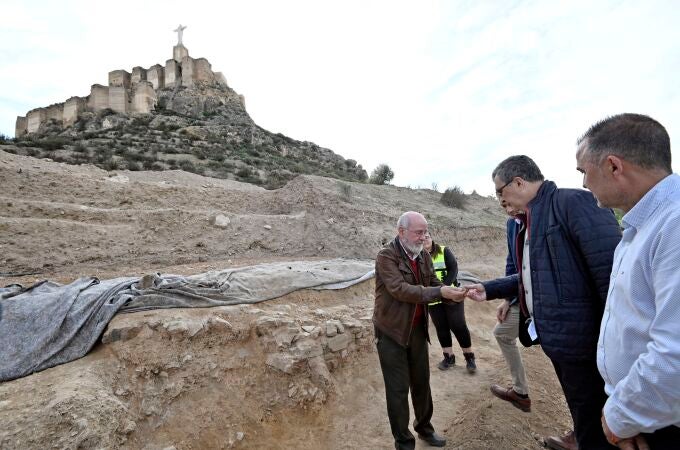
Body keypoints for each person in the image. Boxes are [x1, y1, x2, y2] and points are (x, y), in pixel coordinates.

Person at [465, 155, 621, 450]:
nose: (499, 199)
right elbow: (533, 278)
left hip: (587, 345)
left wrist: (614, 345)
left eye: (500, 191)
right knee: (584, 416)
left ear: (519, 182)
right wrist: (490, 289)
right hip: (562, 342)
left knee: (597, 428)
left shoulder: (573, 203)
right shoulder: (528, 221)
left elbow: (612, 278)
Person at [576, 113, 680, 450]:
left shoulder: (674, 226)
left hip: (660, 425)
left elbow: (674, 353)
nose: (583, 184)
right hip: (644, 416)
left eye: (584, 172)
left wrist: (620, 418)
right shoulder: (641, 227)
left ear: (613, 167)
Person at [373, 211, 468, 450]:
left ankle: (425, 429)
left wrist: (453, 292)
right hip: (391, 332)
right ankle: (404, 443)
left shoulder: (423, 256)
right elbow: (400, 289)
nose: (423, 237)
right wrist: (440, 293)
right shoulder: (386, 256)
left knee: (422, 383)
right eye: (418, 232)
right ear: (401, 232)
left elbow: (432, 283)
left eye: (425, 232)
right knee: (397, 389)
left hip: (416, 330)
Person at [488, 215, 531, 413]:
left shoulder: (543, 215)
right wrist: (507, 299)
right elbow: (512, 262)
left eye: (504, 196)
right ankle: (520, 392)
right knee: (502, 332)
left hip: (549, 300)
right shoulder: (512, 223)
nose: (503, 204)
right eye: (499, 198)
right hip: (522, 296)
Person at [423, 233, 477, 373]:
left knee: (458, 325)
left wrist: (444, 288)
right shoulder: (418, 256)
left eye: (427, 236)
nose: (425, 239)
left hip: (452, 295)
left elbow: (454, 269)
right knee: (441, 327)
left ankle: (469, 358)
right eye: (422, 238)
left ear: (431, 238)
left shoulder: (443, 250)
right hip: (433, 297)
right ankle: (449, 357)